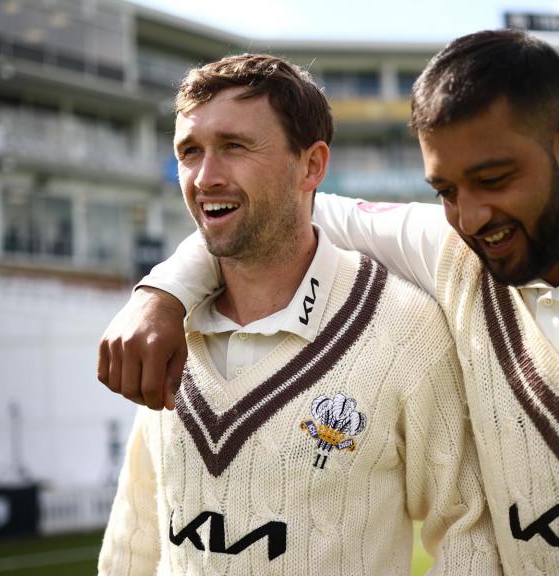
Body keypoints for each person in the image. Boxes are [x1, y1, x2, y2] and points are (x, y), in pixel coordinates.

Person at [99, 30, 559, 574]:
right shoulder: (458, 248)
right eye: (446, 191)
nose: (472, 214)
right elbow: (270, 212)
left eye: (495, 177)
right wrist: (162, 293)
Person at [97, 53, 501, 575]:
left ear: (311, 165)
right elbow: (135, 538)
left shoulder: (408, 330)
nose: (205, 177)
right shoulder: (168, 333)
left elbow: (468, 534)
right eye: (189, 151)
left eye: (235, 147)